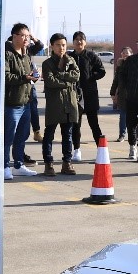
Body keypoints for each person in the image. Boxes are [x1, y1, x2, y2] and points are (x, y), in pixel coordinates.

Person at [40, 33, 81, 176]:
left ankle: (66, 163)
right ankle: (48, 163)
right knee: (49, 134)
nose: (61, 48)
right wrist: (67, 83)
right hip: (54, 103)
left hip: (70, 103)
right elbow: (50, 81)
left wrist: (61, 75)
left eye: (63, 45)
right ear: (52, 46)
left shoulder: (71, 60)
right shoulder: (47, 63)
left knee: (67, 135)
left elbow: (76, 76)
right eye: (58, 45)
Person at [3, 23, 39, 180]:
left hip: (26, 102)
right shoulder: (7, 54)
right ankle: (4, 166)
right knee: (8, 137)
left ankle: (18, 165)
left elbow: (29, 74)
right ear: (14, 36)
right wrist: (25, 78)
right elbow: (6, 76)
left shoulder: (26, 54)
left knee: (22, 136)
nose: (26, 39)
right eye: (23, 35)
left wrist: (33, 77)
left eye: (28, 36)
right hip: (11, 103)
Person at [110, 34, 138, 163]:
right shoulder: (131, 60)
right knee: (131, 125)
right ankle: (132, 146)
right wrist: (123, 90)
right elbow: (121, 75)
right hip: (131, 98)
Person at [68, 31, 105, 161]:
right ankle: (76, 150)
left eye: (81, 39)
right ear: (73, 42)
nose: (79, 42)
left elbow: (102, 71)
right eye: (76, 39)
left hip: (90, 95)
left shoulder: (91, 56)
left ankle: (101, 151)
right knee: (75, 125)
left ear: (85, 42)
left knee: (94, 124)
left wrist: (90, 77)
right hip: (74, 95)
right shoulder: (69, 57)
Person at [111, 46, 132, 141]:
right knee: (123, 116)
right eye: (123, 53)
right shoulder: (120, 66)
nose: (125, 54)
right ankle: (122, 135)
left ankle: (134, 135)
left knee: (133, 117)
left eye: (127, 53)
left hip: (133, 95)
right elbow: (116, 81)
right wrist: (112, 92)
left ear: (131, 54)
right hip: (123, 95)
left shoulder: (135, 65)